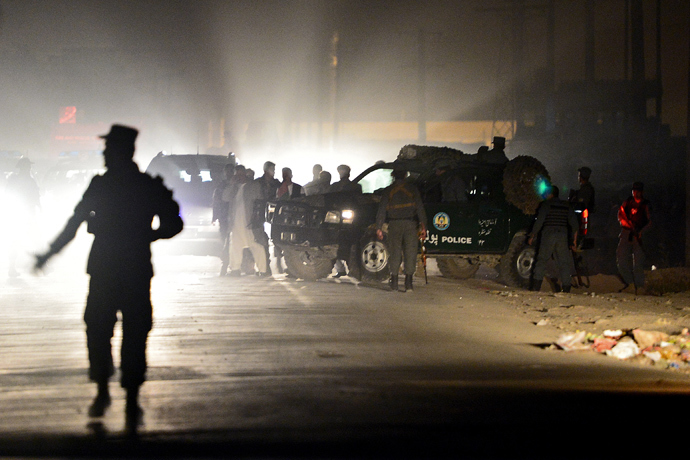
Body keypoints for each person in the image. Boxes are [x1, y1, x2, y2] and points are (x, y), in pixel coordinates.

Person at [33, 124, 183, 433]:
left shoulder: (101, 186)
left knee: (100, 328)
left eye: (107, 149)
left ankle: (103, 390)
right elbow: (173, 222)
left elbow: (75, 222)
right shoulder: (146, 185)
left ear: (119, 152)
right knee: (135, 330)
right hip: (136, 268)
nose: (103, 154)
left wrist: (50, 254)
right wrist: (148, 235)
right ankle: (130, 396)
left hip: (104, 267)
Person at [375, 164, 427, 292]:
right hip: (410, 225)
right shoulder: (413, 189)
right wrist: (424, 226)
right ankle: (408, 283)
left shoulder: (388, 190)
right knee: (410, 252)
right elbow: (420, 208)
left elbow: (381, 210)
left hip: (394, 225)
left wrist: (379, 227)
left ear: (393, 176)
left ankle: (394, 283)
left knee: (395, 252)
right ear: (405, 175)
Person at [528, 185, 579, 293]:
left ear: (550, 194)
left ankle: (536, 288)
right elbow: (575, 225)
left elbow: (539, 222)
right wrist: (574, 241)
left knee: (541, 261)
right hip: (562, 236)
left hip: (548, 235)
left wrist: (532, 235)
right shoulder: (567, 205)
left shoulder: (546, 204)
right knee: (564, 263)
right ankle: (566, 289)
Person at [5, 157, 40, 277]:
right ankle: (12, 267)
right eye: (27, 166)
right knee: (16, 240)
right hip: (20, 214)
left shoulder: (27, 180)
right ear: (23, 167)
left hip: (25, 213)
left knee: (31, 238)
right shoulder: (16, 179)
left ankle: (36, 262)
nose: (29, 168)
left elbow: (36, 196)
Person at [228, 174, 269, 277]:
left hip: (250, 223)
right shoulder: (235, 188)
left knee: (256, 245)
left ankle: (263, 269)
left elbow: (259, 199)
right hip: (236, 223)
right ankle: (235, 269)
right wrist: (231, 185)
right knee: (235, 246)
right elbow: (225, 197)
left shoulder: (253, 186)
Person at [617, 181, 651, 294]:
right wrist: (628, 225)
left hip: (639, 235)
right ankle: (630, 284)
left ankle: (640, 286)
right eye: (634, 191)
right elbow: (621, 216)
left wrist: (642, 231)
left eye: (638, 191)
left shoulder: (646, 205)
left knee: (638, 262)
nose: (636, 193)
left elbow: (650, 221)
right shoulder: (627, 203)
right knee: (621, 259)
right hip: (627, 233)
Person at [253, 161, 281, 274]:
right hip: (259, 212)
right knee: (261, 239)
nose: (273, 172)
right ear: (266, 170)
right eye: (272, 169)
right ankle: (264, 265)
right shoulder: (258, 182)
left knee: (276, 237)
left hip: (273, 212)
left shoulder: (276, 183)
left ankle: (274, 261)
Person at [274, 167, 303, 273]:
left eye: (287, 174)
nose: (285, 176)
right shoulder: (279, 188)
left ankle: (291, 267)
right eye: (283, 174)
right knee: (279, 240)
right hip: (282, 219)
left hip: (294, 219)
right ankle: (279, 262)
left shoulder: (298, 188)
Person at [213, 163, 235, 276]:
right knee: (225, 242)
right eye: (227, 172)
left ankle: (233, 265)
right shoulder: (221, 186)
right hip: (224, 218)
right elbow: (216, 201)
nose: (228, 174)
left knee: (233, 242)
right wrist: (215, 215)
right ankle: (225, 264)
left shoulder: (237, 184)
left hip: (235, 217)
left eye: (230, 171)